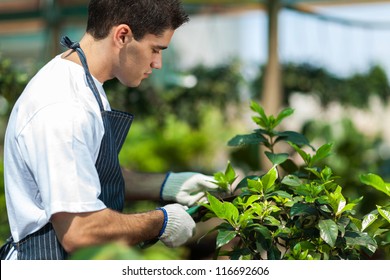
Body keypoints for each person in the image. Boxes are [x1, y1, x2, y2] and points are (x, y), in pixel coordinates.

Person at [0, 0, 223, 260]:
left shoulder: (83, 83)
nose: (158, 63)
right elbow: (80, 231)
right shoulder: (63, 107)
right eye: (155, 49)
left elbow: (87, 175)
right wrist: (160, 222)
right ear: (123, 36)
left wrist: (166, 185)